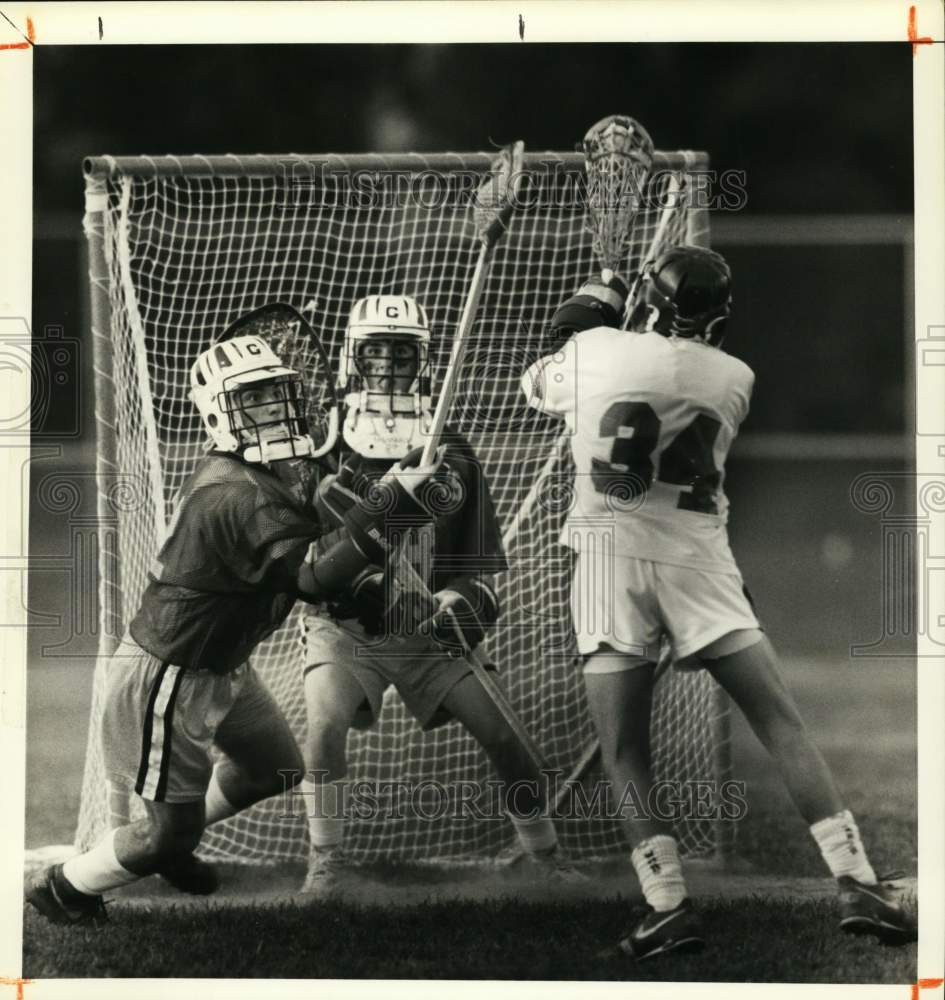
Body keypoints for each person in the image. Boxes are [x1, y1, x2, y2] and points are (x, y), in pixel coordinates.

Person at [521, 249, 916, 959]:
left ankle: (667, 906)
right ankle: (856, 881)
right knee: (779, 723)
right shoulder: (735, 378)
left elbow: (545, 371)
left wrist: (598, 298)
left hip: (608, 562)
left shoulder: (596, 349)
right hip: (698, 561)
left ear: (648, 303)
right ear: (719, 316)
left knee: (624, 751)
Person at [25, 315, 446, 924]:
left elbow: (327, 515)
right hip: (170, 675)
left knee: (276, 769)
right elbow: (309, 578)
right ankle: (66, 887)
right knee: (173, 834)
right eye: (251, 398)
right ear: (220, 414)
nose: (271, 409)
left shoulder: (278, 470)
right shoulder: (235, 492)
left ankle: (165, 839)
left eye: (275, 393)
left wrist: (378, 502)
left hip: (224, 664)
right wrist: (389, 514)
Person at [297, 294, 570, 894]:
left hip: (423, 629)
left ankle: (543, 857)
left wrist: (459, 603)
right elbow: (306, 562)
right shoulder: (323, 446)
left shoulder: (451, 449)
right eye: (376, 352)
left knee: (505, 738)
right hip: (346, 626)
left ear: (421, 361)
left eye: (401, 352)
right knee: (323, 725)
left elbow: (478, 573)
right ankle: (328, 861)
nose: (389, 365)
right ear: (354, 358)